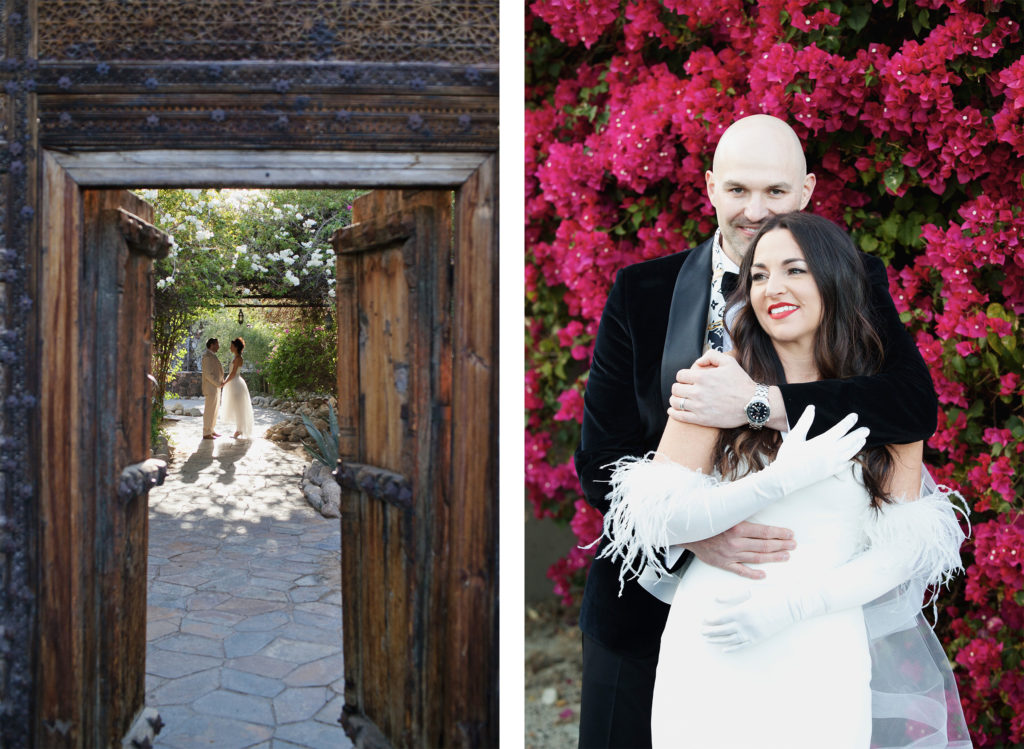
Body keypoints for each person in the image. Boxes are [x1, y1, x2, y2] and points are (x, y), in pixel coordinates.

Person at [574, 115, 939, 749]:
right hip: (648, 602)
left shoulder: (852, 277)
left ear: (807, 193)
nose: (755, 211)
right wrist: (698, 530)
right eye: (738, 190)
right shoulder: (641, 291)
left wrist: (761, 405)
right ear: (711, 187)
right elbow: (601, 459)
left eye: (775, 192)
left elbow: (907, 404)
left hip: (811, 627)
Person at [220, 337, 255, 440]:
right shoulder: (236, 357)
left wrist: (224, 383)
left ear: (236, 347)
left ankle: (239, 430)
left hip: (235, 383)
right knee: (236, 407)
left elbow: (233, 373)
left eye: (232, 346)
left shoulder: (238, 358)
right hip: (234, 382)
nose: (230, 347)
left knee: (239, 407)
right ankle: (239, 429)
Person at [201, 338, 224, 440]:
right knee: (209, 410)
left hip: (216, 387)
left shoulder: (212, 356)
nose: (218, 346)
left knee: (215, 410)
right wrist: (218, 383)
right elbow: (208, 374)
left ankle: (211, 430)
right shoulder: (207, 357)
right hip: (211, 388)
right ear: (212, 345)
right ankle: (206, 432)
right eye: (217, 344)